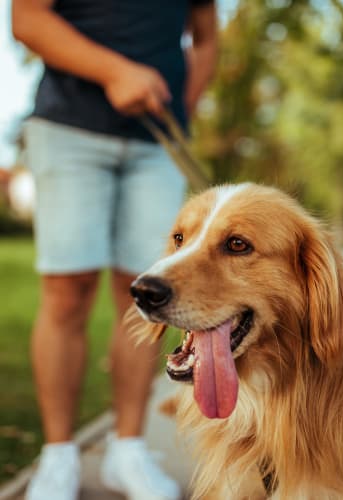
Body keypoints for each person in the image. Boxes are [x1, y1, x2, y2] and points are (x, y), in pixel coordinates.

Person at [12, 1, 217, 499]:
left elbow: (206, 35)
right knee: (67, 292)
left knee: (149, 300)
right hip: (69, 129)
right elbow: (26, 18)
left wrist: (181, 108)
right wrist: (116, 71)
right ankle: (59, 456)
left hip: (155, 145)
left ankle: (128, 449)